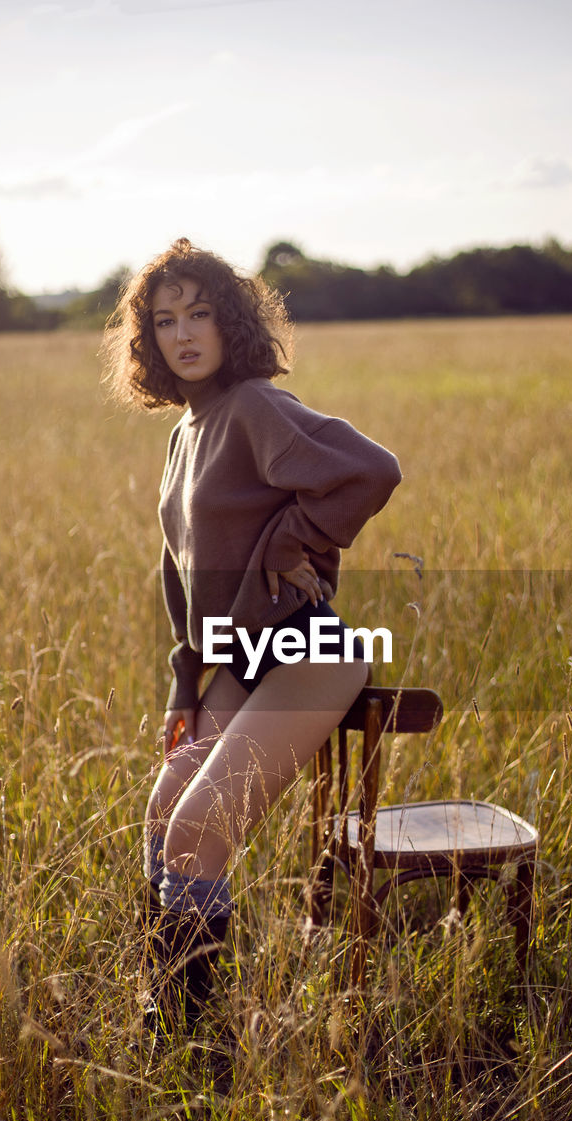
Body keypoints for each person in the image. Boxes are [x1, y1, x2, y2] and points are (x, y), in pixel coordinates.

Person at [102, 238, 401, 1033]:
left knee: (202, 824)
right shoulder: (185, 432)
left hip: (306, 649)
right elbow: (183, 573)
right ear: (150, 341)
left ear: (230, 322)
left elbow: (369, 470)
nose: (184, 333)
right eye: (165, 320)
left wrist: (291, 543)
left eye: (200, 313)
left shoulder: (255, 406)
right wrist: (183, 680)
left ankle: (199, 1043)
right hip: (235, 660)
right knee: (166, 808)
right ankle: (168, 1010)